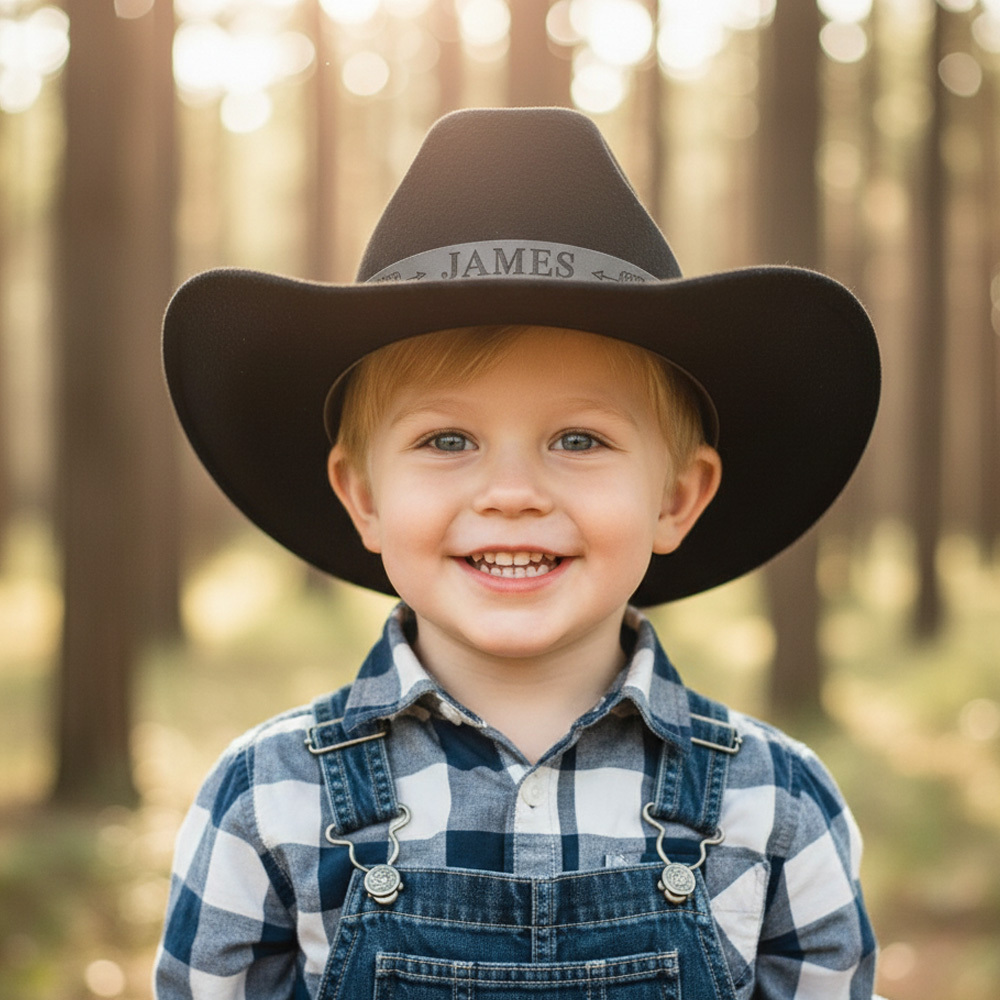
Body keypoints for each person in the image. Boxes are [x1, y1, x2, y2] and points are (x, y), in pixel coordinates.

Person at [156, 107, 882, 1000]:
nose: (512, 492)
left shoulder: (776, 808)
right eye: (447, 440)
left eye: (578, 441)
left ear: (676, 497)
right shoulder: (266, 801)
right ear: (364, 496)